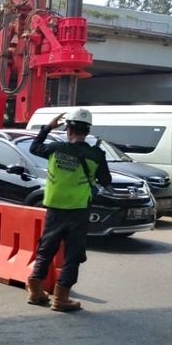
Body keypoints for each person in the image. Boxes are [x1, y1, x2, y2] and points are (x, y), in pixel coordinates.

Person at [27, 108, 112, 312]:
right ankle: (61, 299)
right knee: (73, 255)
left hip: (54, 208)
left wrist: (48, 127)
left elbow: (34, 147)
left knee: (46, 250)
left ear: (68, 129)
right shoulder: (96, 154)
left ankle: (35, 290)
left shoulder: (55, 148)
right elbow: (106, 180)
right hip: (79, 210)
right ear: (87, 131)